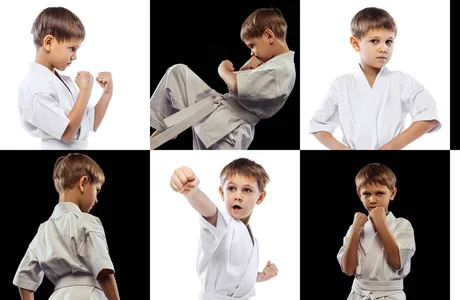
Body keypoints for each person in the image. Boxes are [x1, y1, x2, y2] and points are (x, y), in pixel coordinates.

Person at [150, 7, 296, 150]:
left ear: (269, 36)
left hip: (231, 127)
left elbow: (236, 85)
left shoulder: (283, 70)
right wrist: (245, 70)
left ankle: (171, 127)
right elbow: (250, 89)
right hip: (220, 111)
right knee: (178, 72)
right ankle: (168, 127)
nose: (252, 53)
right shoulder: (274, 64)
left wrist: (223, 69)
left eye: (252, 46)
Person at [309, 7, 441, 150]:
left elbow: (429, 115)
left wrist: (393, 145)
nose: (383, 48)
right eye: (374, 41)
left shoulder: (401, 81)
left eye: (389, 41)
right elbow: (318, 125)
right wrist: (342, 149)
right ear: (355, 43)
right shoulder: (341, 84)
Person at [13, 153, 120, 300]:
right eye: (97, 190)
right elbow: (103, 271)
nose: (96, 199)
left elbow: (24, 279)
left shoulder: (43, 230)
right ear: (83, 183)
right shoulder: (87, 221)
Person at [170, 158, 278, 299]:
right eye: (231, 188)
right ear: (222, 192)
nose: (238, 196)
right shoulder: (222, 223)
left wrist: (260, 277)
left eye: (247, 190)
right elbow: (208, 209)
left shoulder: (252, 238)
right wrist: (192, 192)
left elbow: (237, 276)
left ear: (260, 197)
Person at [18, 7, 114, 150]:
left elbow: (90, 123)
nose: (74, 56)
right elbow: (67, 133)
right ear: (49, 42)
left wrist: (107, 93)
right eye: (72, 48)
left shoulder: (61, 82)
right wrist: (85, 91)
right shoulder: (36, 88)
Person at [337, 163, 416, 299]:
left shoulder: (401, 225)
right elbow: (348, 270)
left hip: (389, 295)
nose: (372, 200)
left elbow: (397, 263)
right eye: (366, 194)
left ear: (392, 193)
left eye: (379, 193)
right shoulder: (355, 226)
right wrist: (355, 230)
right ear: (358, 194)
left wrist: (380, 224)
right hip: (358, 294)